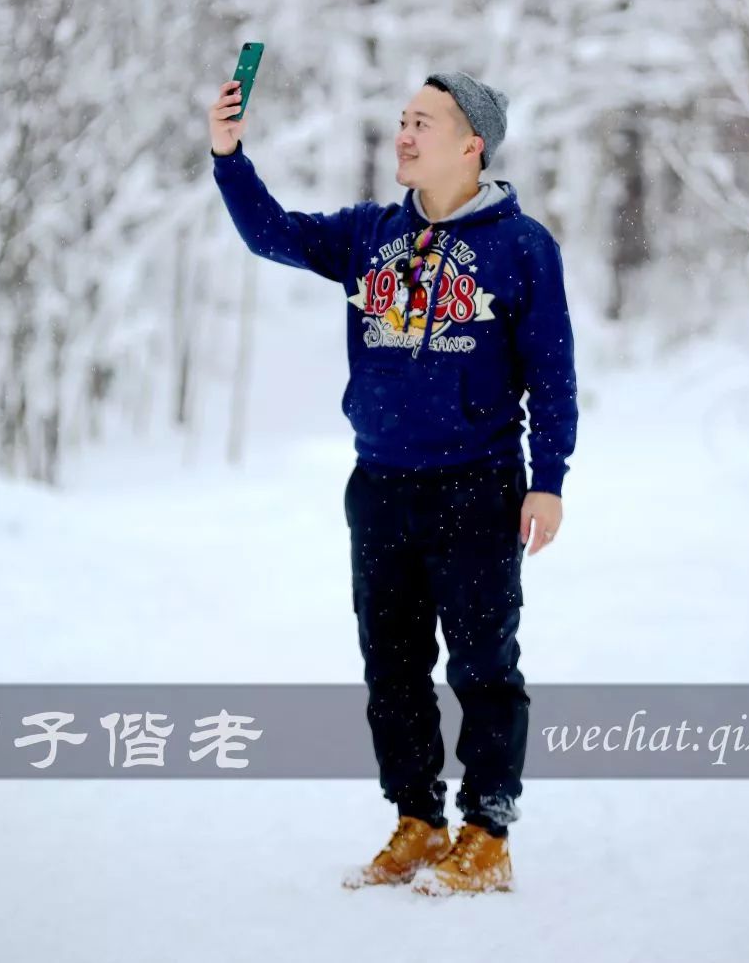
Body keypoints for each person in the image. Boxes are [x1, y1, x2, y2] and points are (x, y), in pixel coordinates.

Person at [208, 68, 578, 896]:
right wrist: (229, 155)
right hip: (380, 487)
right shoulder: (371, 234)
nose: (404, 135)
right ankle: (417, 818)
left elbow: (552, 376)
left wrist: (547, 480)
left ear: (471, 144)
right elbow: (272, 234)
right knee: (394, 668)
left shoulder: (522, 248)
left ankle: (488, 833)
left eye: (424, 122)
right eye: (402, 120)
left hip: (478, 486)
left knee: (482, 666)